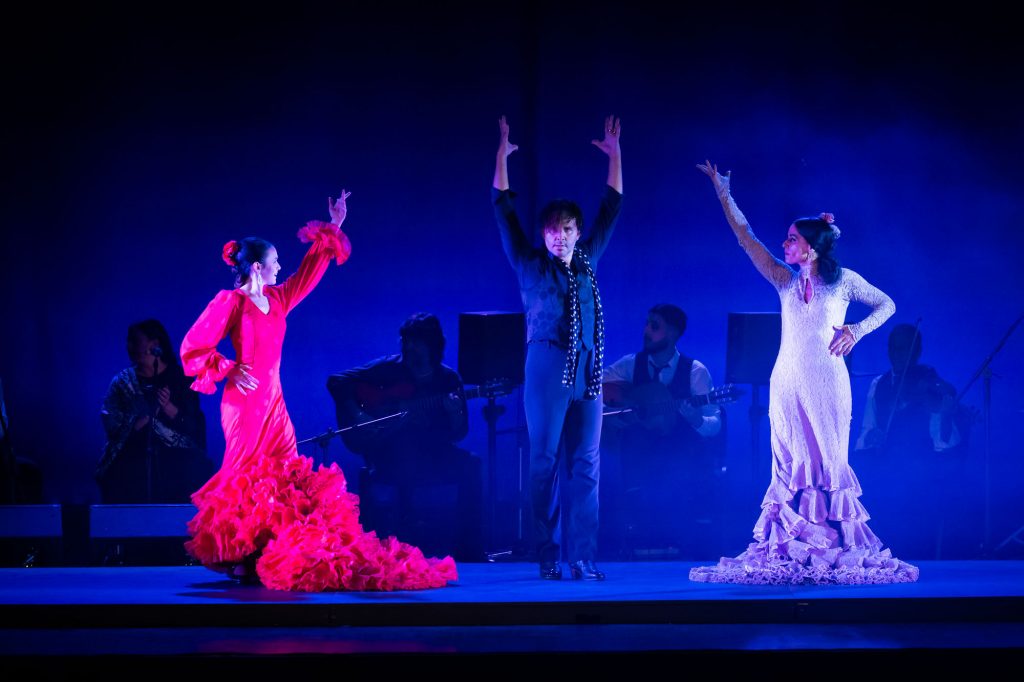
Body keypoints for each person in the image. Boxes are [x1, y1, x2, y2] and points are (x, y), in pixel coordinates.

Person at [179, 191, 457, 591]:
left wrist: (334, 227)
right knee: (245, 475)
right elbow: (193, 346)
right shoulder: (231, 302)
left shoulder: (277, 299)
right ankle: (240, 554)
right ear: (256, 267)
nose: (280, 267)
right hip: (244, 404)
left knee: (284, 474)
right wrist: (228, 368)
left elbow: (307, 274)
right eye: (274, 261)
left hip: (274, 402)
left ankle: (267, 550)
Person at [689, 160, 918, 585]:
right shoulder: (783, 279)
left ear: (811, 247)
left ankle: (834, 546)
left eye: (792, 239)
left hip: (828, 385)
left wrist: (855, 330)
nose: (785, 243)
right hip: (787, 384)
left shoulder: (844, 281)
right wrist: (723, 193)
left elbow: (887, 304)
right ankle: (792, 545)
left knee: (829, 460)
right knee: (789, 461)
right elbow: (746, 238)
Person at [492, 115, 623, 580]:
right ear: (544, 235)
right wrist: (502, 154)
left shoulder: (587, 260)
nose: (560, 237)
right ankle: (548, 554)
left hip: (588, 369)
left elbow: (611, 207)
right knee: (544, 461)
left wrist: (614, 155)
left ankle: (583, 555)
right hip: (547, 365)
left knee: (587, 464)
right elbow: (503, 210)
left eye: (567, 229)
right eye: (552, 230)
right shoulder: (529, 263)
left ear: (576, 231)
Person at [326, 312, 484, 562]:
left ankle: (469, 548)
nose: (408, 347)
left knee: (472, 463)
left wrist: (454, 413)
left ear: (432, 345)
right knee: (405, 450)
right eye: (405, 340)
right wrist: (359, 414)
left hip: (433, 455)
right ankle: (391, 547)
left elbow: (459, 433)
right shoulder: (388, 369)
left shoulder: (448, 380)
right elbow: (337, 381)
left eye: (415, 342)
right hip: (389, 452)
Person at [601, 303, 724, 558]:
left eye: (654, 326)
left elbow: (715, 424)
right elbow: (596, 388)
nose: (646, 331)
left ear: (673, 333)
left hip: (680, 463)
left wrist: (696, 420)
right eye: (647, 324)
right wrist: (614, 410)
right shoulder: (629, 364)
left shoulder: (695, 371)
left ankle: (684, 542)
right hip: (638, 459)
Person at [855, 323, 975, 559]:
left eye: (904, 349)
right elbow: (866, 432)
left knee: (916, 488)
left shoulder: (930, 384)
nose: (898, 355)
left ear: (917, 352)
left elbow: (943, 444)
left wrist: (945, 414)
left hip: (923, 470)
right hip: (887, 470)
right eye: (893, 348)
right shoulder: (878, 384)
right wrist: (873, 437)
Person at [96, 319, 211, 504]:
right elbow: (111, 422)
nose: (129, 346)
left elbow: (195, 426)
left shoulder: (181, 379)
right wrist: (141, 419)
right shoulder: (122, 382)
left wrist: (169, 409)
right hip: (132, 464)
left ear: (154, 344)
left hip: (176, 465)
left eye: (135, 341)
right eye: (128, 341)